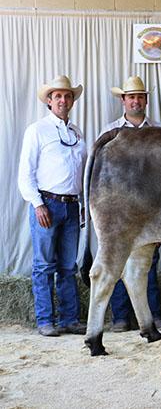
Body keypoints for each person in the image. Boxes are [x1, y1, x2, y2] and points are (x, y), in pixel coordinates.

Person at [17, 75, 88, 336]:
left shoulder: (77, 132)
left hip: (71, 206)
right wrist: (37, 204)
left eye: (67, 96)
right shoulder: (36, 130)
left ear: (72, 100)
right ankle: (45, 320)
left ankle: (69, 319)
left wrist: (81, 202)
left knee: (68, 266)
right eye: (57, 96)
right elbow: (26, 173)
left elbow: (80, 173)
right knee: (44, 265)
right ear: (49, 101)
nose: (63, 100)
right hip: (46, 203)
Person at [102, 76, 161, 332]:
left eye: (140, 96)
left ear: (146, 100)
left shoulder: (160, 131)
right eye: (131, 97)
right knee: (117, 259)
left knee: (148, 261)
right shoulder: (109, 132)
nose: (136, 101)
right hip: (120, 206)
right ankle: (121, 317)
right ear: (123, 100)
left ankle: (152, 316)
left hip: (152, 207)